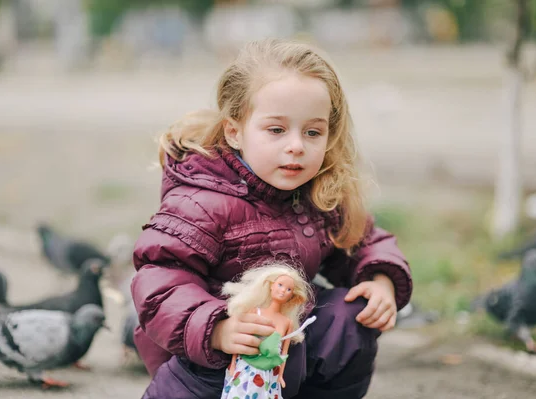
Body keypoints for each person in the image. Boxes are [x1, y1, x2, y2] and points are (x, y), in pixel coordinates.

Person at [131, 38, 412, 399]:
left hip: (282, 342)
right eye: (276, 130)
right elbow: (161, 283)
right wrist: (217, 330)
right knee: (250, 339)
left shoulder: (318, 191)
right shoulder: (203, 200)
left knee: (349, 317)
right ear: (235, 132)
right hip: (206, 359)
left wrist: (380, 280)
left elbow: (364, 241)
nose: (296, 145)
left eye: (312, 132)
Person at [220, 263, 314, 399]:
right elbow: (240, 338)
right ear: (271, 285)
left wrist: (280, 376)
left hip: (268, 373)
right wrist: (233, 363)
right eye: (280, 285)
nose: (283, 290)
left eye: (289, 289)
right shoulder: (255, 311)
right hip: (246, 367)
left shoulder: (287, 322)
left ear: (292, 296)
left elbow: (284, 353)